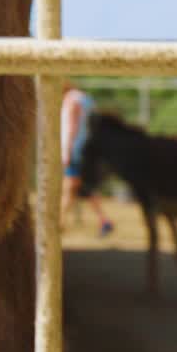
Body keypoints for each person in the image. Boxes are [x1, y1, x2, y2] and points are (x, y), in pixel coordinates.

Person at [60, 81, 114, 237]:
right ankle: (104, 221)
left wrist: (67, 151)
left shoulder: (71, 101)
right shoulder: (88, 100)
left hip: (76, 149)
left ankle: (58, 223)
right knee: (83, 187)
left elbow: (72, 126)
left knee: (69, 187)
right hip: (88, 149)